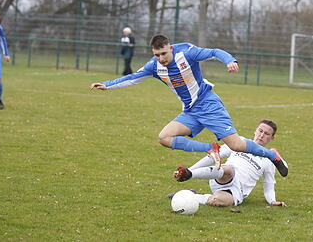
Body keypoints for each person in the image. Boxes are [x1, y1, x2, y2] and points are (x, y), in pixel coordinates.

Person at [90, 34, 288, 177]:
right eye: (157, 54)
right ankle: (210, 148)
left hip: (208, 104)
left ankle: (272, 155)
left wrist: (230, 61)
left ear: (171, 48)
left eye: (164, 53)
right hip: (190, 111)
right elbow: (134, 78)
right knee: (164, 137)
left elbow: (213, 52)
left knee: (236, 145)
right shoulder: (154, 66)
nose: (161, 58)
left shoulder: (187, 52)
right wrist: (107, 85)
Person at [171, 119, 287, 207]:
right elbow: (213, 156)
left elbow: (269, 185)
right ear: (255, 131)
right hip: (223, 175)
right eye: (260, 131)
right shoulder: (240, 142)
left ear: (272, 138)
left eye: (266, 134)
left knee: (217, 201)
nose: (261, 135)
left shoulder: (269, 160)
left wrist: (272, 201)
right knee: (229, 170)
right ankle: (190, 175)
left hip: (237, 191)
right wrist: (189, 171)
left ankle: (190, 196)